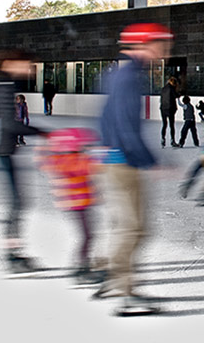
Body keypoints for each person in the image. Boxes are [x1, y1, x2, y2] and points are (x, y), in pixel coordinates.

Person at [95, 22, 173, 315]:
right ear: (144, 43)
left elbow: (105, 118)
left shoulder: (117, 73)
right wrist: (148, 162)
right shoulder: (129, 77)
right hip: (123, 164)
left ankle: (112, 275)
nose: (163, 51)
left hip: (114, 159)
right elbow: (127, 127)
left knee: (126, 227)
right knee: (135, 228)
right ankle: (123, 290)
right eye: (160, 44)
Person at [0, 50, 44, 274]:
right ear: (12, 64)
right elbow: (9, 125)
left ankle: (13, 252)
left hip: (5, 151)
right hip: (5, 152)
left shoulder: (5, 85)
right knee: (17, 203)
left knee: (18, 202)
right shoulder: (7, 88)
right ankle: (11, 254)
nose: (29, 68)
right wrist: (42, 132)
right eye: (26, 64)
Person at [40, 127, 105, 285]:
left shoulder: (62, 160)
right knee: (87, 236)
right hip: (78, 205)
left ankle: (84, 264)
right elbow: (93, 165)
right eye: (82, 146)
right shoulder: (74, 161)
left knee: (88, 235)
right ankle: (81, 268)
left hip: (78, 204)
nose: (85, 149)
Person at [160, 76, 179, 147]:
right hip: (170, 108)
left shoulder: (163, 89)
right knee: (171, 125)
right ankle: (172, 140)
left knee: (164, 124)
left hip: (163, 108)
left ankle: (163, 139)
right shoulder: (172, 88)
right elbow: (176, 96)